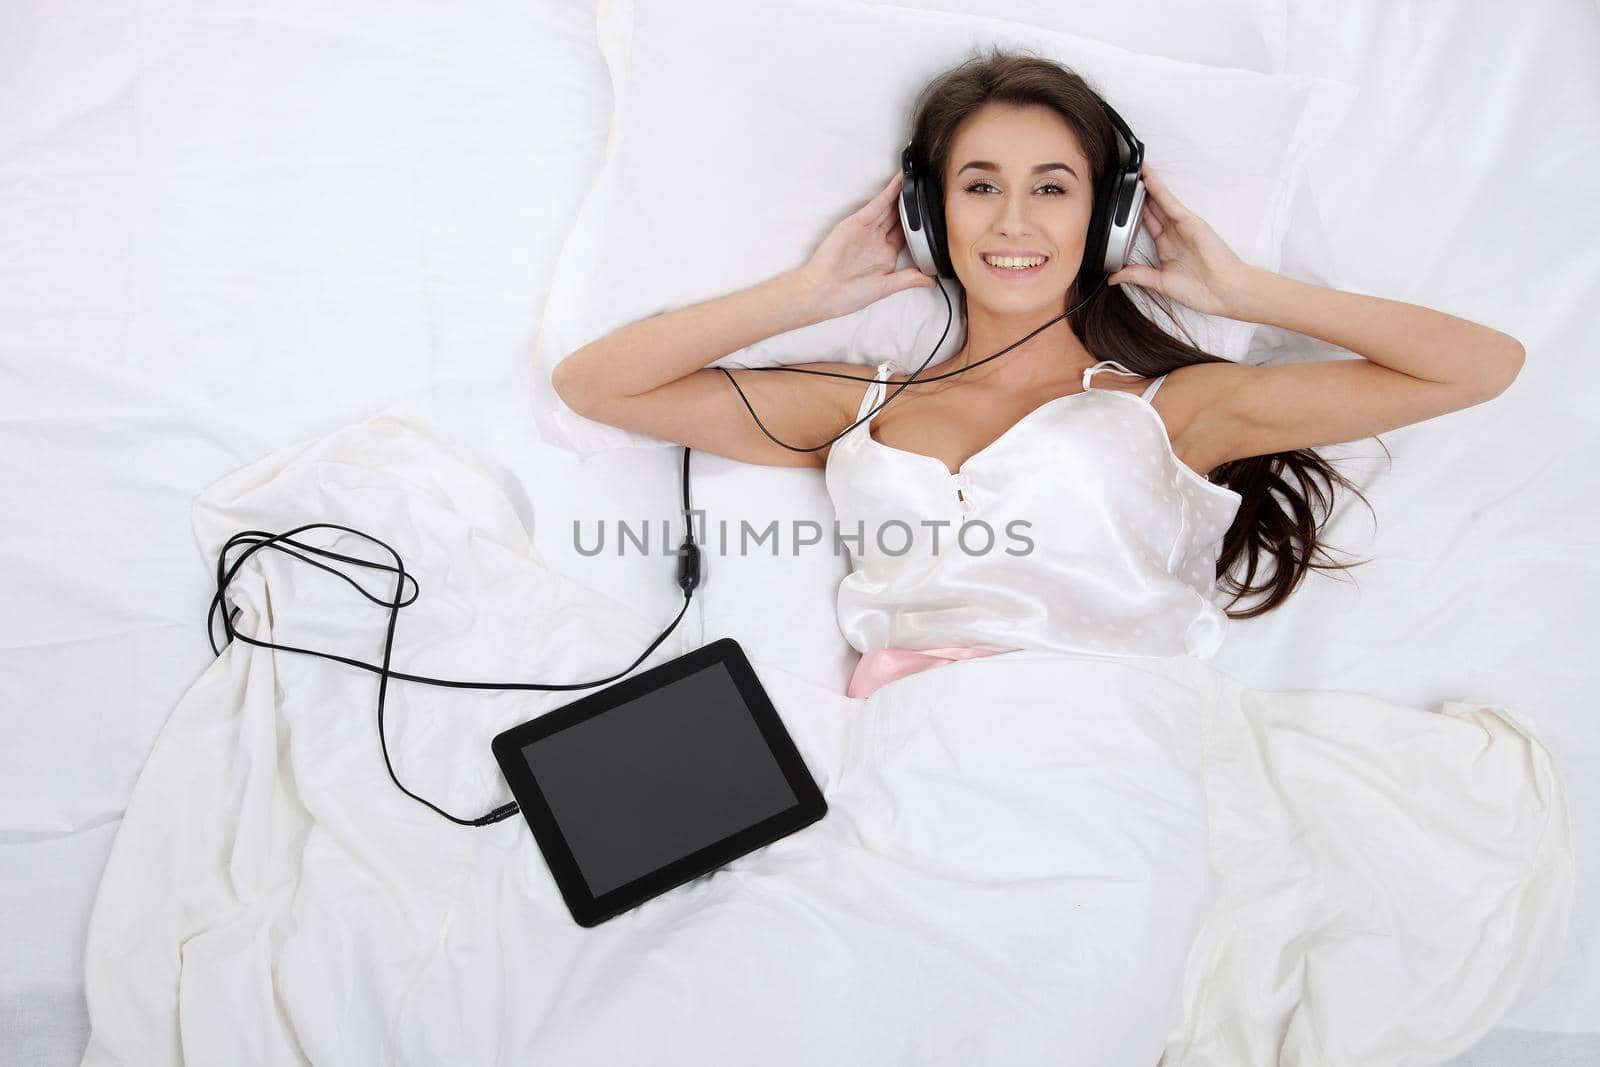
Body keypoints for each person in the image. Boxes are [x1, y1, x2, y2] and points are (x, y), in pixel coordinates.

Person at [551, 49, 1570, 1064]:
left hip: (1098, 776)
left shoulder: (1175, 406)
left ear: (1106, 213)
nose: (1013, 222)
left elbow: (1481, 364)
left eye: (1053, 187)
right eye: (978, 186)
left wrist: (1243, 290)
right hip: (902, 773)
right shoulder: (860, 402)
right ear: (926, 211)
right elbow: (599, 386)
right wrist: (809, 292)